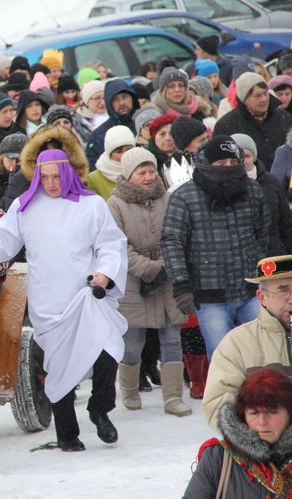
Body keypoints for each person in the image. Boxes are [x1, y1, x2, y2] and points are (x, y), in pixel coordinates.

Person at [0, 148, 128, 452]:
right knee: (60, 368)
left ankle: (100, 409)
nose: (50, 183)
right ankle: (67, 434)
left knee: (108, 350)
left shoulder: (92, 205)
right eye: (44, 177)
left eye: (56, 177)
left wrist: (104, 273)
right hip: (50, 302)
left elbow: (111, 245)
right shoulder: (25, 207)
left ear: (69, 173)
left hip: (87, 296)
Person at [161, 135, 270, 361]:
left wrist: (260, 268)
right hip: (210, 296)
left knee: (261, 356)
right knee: (224, 360)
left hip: (251, 291)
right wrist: (182, 285)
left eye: (232, 162)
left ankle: (258, 397)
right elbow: (172, 242)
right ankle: (225, 397)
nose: (228, 168)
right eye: (220, 163)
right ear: (206, 163)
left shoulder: (253, 191)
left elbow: (263, 232)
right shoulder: (184, 196)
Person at [107, 148, 191, 416]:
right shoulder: (115, 204)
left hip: (167, 280)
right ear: (128, 175)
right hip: (134, 283)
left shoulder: (167, 198)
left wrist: (168, 265)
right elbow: (118, 246)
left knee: (171, 339)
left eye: (151, 171)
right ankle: (129, 389)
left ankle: (173, 397)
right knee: (133, 343)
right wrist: (149, 269)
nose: (147, 177)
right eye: (141, 172)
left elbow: (178, 235)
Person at [201, 254, 292, 430]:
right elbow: (217, 408)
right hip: (265, 451)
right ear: (262, 297)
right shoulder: (237, 343)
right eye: (283, 290)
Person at [185, 368, 292, 497]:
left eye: (272, 411)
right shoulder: (219, 457)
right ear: (243, 415)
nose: (262, 421)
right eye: (254, 412)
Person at [214, 72, 292, 168]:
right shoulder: (226, 125)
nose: (263, 99)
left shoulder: (284, 118)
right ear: (244, 99)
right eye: (257, 96)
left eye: (265, 93)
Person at [232, 133, 292, 257]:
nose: (243, 161)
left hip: (272, 258)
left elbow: (286, 225)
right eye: (238, 156)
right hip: (240, 258)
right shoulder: (224, 186)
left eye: (247, 156)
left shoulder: (270, 181)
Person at [85, 79, 140, 170]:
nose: (121, 103)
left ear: (132, 97)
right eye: (115, 99)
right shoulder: (98, 135)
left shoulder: (144, 124)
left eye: (124, 97)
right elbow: (93, 168)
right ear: (108, 103)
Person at [88, 125, 135, 200]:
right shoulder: (93, 179)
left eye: (129, 149)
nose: (125, 155)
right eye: (119, 152)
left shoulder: (147, 170)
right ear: (110, 154)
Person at [72, 80, 107, 147]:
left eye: (104, 98)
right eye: (97, 98)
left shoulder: (112, 116)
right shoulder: (77, 123)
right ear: (87, 101)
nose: (102, 102)